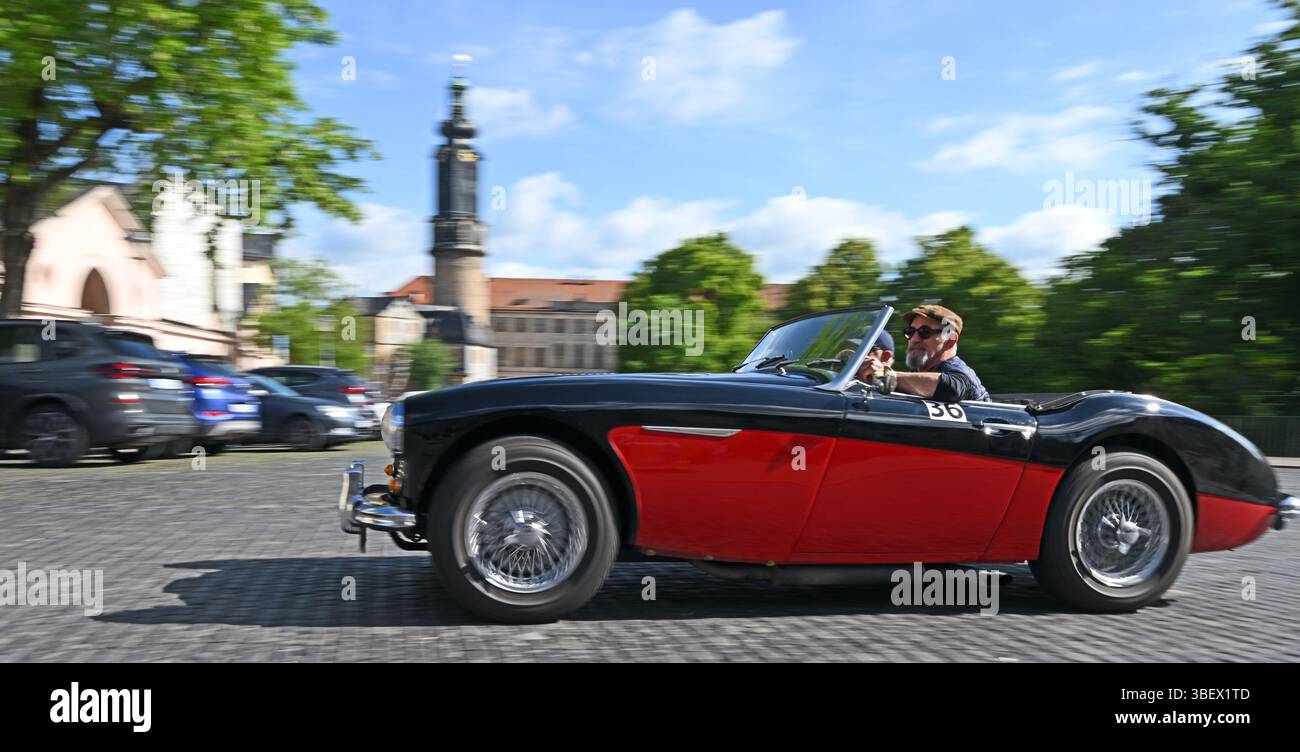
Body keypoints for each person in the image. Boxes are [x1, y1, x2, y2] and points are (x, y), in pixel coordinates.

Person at [856, 304, 990, 402]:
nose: (914, 339)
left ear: (950, 340)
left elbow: (952, 388)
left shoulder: (960, 373)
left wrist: (887, 375)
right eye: (910, 332)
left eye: (925, 332)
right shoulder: (915, 378)